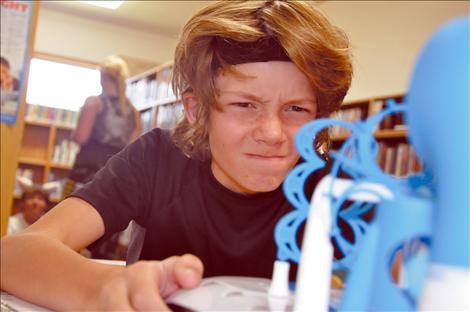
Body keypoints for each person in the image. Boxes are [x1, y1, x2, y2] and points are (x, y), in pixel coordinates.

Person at [0, 1, 352, 310]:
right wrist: (103, 289)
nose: (273, 134)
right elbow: (12, 256)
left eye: (296, 109)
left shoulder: (337, 185)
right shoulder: (157, 160)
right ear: (197, 110)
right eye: (245, 105)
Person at [63, 55, 142, 259]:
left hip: (85, 172)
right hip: (115, 175)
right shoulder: (134, 113)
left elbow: (81, 137)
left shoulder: (93, 103)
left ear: (103, 77)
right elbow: (131, 148)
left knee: (67, 225)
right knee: (105, 228)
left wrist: (73, 134)